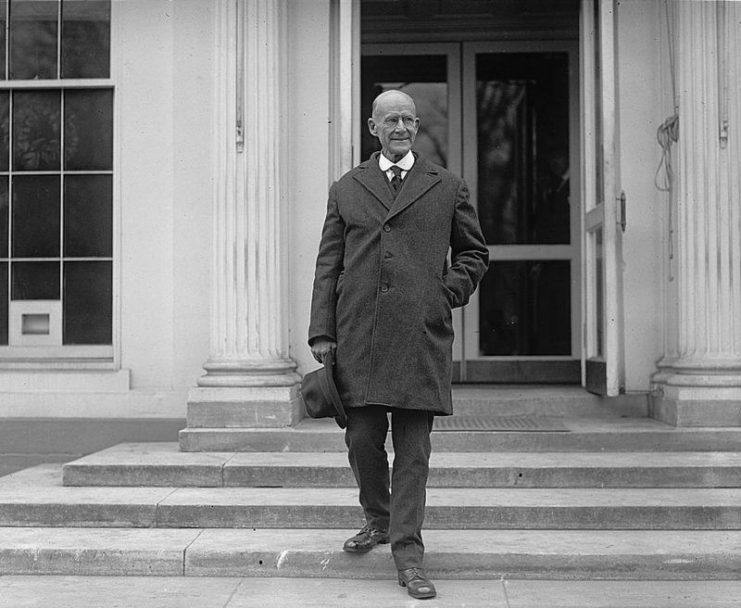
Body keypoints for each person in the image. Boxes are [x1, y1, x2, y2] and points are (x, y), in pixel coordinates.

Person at [308, 89, 488, 600]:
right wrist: (322, 331)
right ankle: (379, 517)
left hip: (418, 336)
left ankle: (408, 557)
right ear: (373, 127)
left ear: (417, 126)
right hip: (358, 335)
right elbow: (328, 264)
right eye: (391, 120)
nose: (402, 127)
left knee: (413, 452)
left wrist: (443, 293)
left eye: (409, 119)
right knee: (362, 439)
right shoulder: (347, 188)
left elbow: (474, 254)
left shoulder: (447, 186)